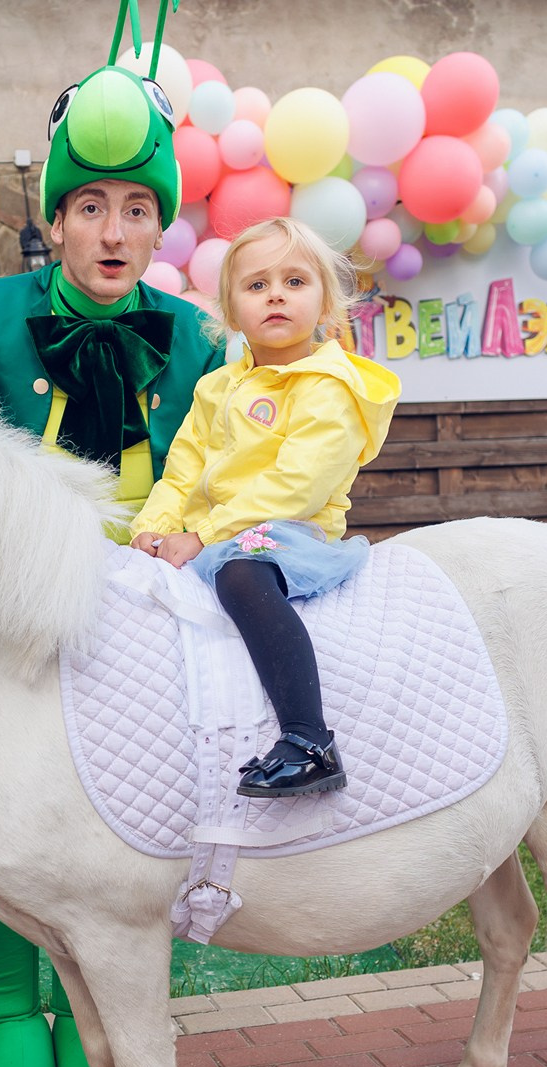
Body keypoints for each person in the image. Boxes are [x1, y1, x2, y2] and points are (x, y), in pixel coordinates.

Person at [0, 49, 223, 1067]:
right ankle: (7, 1015)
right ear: (54, 216)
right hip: (4, 625)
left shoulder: (194, 338)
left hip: (137, 630)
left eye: (135, 208)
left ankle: (102, 1018)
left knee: (126, 829)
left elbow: (213, 482)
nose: (110, 231)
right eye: (88, 204)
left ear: (159, 226)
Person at [129, 216, 400, 796]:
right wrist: (150, 529)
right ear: (231, 312)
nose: (275, 294)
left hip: (289, 532)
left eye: (295, 281)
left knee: (243, 577)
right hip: (217, 533)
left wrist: (203, 536)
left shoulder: (330, 387)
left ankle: (309, 740)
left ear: (325, 302)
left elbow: (295, 485)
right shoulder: (216, 390)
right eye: (256, 286)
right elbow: (182, 470)